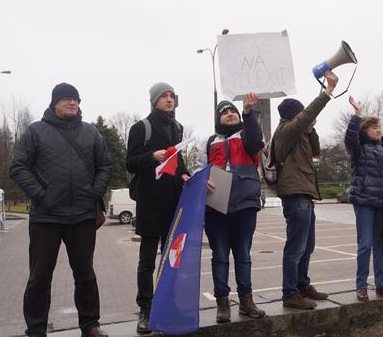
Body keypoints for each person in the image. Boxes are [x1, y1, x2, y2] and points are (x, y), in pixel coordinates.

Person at [10, 83, 112, 337]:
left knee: (85, 274)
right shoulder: (36, 131)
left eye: (75, 99)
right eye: (66, 99)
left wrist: (93, 193)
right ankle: (36, 329)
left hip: (82, 216)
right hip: (46, 216)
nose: (72, 103)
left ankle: (90, 325)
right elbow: (19, 167)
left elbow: (105, 166)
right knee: (40, 276)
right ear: (54, 103)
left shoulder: (91, 133)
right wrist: (41, 195)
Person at [126, 83, 190, 334]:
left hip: (175, 203)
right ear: (154, 100)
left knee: (171, 258)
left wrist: (184, 174)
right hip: (150, 204)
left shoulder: (177, 127)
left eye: (172, 96)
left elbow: (179, 160)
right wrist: (152, 157)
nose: (169, 99)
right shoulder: (141, 127)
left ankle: (169, 304)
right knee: (147, 261)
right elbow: (130, 162)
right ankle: (146, 308)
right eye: (164, 96)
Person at [197, 93, 266, 322]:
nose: (230, 114)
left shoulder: (248, 134)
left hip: (245, 205)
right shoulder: (207, 142)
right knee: (220, 256)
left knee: (243, 255)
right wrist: (201, 180)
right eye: (225, 112)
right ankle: (222, 303)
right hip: (216, 207)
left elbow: (257, 143)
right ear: (218, 118)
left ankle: (246, 301)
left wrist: (247, 112)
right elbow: (199, 170)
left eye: (233, 111)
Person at [275, 71, 338, 309]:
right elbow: (308, 113)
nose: (305, 117)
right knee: (296, 246)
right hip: (295, 195)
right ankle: (290, 293)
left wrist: (311, 130)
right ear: (294, 116)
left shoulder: (299, 133)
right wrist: (327, 92)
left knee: (307, 245)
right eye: (301, 114)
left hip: (305, 195)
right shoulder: (285, 130)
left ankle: (302, 285)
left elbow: (316, 151)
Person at [344, 95, 383, 302]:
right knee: (365, 243)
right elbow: (350, 139)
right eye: (373, 127)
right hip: (364, 200)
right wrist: (356, 115)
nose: (379, 129)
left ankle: (381, 284)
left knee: (381, 244)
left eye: (379, 126)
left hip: (382, 203)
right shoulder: (359, 149)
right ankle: (361, 285)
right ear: (365, 131)